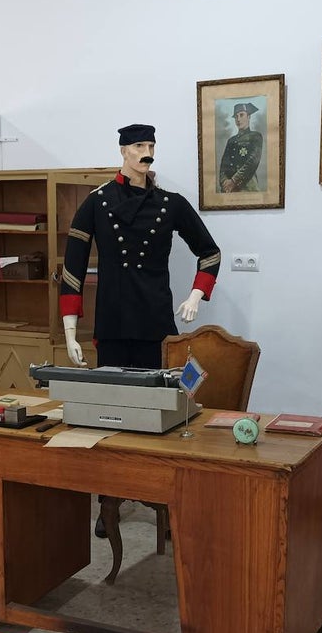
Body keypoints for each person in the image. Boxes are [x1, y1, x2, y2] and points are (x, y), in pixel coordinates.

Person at [59, 123, 222, 537]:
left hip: (155, 321)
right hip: (111, 323)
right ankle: (106, 500)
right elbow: (73, 269)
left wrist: (196, 296)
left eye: (151, 145)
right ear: (123, 152)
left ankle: (163, 498)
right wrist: (70, 329)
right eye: (138, 145)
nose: (146, 151)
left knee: (161, 415)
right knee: (107, 415)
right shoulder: (95, 203)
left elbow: (210, 252)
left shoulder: (171, 204)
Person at [218, 102, 263, 192]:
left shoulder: (255, 136)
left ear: (249, 117)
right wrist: (224, 182)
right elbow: (223, 165)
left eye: (241, 115)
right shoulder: (231, 141)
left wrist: (233, 181)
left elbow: (252, 162)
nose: (238, 119)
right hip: (229, 189)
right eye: (236, 116)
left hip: (248, 187)